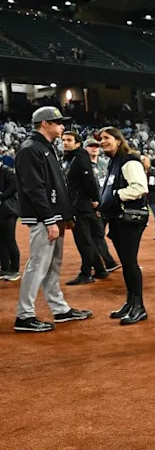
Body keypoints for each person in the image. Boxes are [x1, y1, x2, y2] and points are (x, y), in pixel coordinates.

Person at [14, 106, 92, 332]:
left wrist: (63, 216)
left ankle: (60, 309)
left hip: (54, 217)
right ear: (45, 124)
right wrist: (49, 219)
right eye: (58, 122)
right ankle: (24, 315)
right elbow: (34, 188)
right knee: (38, 265)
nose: (62, 126)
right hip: (43, 218)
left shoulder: (45, 148)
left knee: (52, 266)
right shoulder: (30, 149)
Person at [99, 127, 149, 325]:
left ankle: (139, 306)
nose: (102, 141)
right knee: (127, 263)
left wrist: (114, 196)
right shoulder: (114, 162)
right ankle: (131, 302)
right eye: (101, 138)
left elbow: (139, 187)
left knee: (130, 263)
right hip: (119, 218)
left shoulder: (129, 160)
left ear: (118, 140)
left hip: (129, 218)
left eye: (106, 138)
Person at [63, 130, 106, 285]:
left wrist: (95, 199)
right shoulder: (73, 158)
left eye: (69, 140)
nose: (65, 142)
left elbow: (89, 181)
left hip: (81, 206)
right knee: (87, 240)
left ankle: (86, 273)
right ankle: (100, 269)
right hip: (81, 205)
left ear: (78, 143)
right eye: (63, 140)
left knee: (84, 241)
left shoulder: (80, 158)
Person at [84, 138, 120, 274]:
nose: (94, 148)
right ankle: (105, 261)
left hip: (106, 205)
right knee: (96, 235)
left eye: (96, 146)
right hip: (93, 206)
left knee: (101, 234)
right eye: (91, 146)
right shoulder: (83, 165)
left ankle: (99, 261)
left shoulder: (105, 164)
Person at [0, 156, 20, 281]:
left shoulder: (6, 171)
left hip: (8, 211)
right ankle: (5, 267)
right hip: (4, 211)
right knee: (1, 240)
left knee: (9, 239)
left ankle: (14, 269)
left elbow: (15, 185)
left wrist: (2, 196)